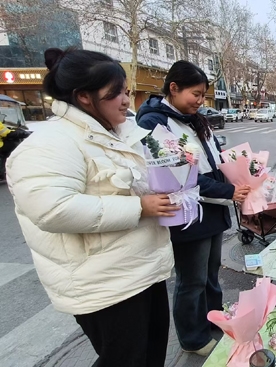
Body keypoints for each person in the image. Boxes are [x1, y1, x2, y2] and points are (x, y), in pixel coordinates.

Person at [6, 48, 177, 367]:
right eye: (115, 94)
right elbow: (52, 209)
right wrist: (139, 207)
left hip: (141, 272)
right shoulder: (51, 143)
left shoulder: (117, 134)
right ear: (84, 97)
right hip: (105, 285)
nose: (126, 101)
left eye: (126, 92)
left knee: (150, 356)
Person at [137, 61, 251, 356]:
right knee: (192, 279)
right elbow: (179, 176)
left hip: (212, 209)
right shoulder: (154, 123)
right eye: (195, 94)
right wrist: (228, 190)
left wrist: (243, 173)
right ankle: (193, 337)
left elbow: (213, 160)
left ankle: (213, 319)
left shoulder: (194, 119)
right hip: (189, 213)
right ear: (173, 88)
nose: (200, 102)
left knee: (211, 273)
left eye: (203, 96)